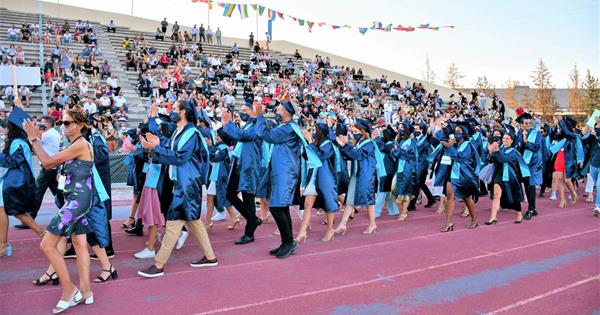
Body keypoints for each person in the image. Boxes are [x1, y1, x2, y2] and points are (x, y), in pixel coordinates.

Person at [23, 109, 101, 313]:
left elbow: (48, 163)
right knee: (79, 243)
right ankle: (86, 291)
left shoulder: (81, 145)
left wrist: (33, 139)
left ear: (81, 125)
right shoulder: (75, 145)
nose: (63, 126)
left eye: (68, 123)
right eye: (62, 123)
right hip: (78, 200)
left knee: (47, 244)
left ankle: (69, 289)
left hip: (76, 202)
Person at [138, 100, 218, 278]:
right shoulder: (180, 132)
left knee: (173, 223)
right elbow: (171, 148)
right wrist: (157, 144)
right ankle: (210, 257)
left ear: (183, 112)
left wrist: (156, 148)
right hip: (183, 183)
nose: (170, 111)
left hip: (187, 185)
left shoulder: (191, 133)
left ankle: (158, 265)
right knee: (194, 222)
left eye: (174, 109)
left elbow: (180, 157)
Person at [255, 101, 314, 258]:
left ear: (287, 113)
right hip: (281, 171)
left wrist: (260, 115)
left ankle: (289, 242)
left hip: (286, 172)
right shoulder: (285, 127)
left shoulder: (288, 128)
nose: (277, 112)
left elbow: (265, 135)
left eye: (280, 110)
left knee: (276, 207)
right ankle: (286, 242)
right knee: (281, 207)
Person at [0, 107, 46, 257]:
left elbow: (13, 161)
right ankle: (3, 245)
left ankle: (3, 245)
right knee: (14, 212)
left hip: (13, 182)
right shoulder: (20, 141)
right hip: (14, 181)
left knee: (12, 212)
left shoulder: (18, 143)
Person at [219, 103, 263, 245]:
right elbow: (235, 139)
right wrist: (224, 125)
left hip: (249, 166)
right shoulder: (248, 124)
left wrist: (229, 123)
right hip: (239, 164)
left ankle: (249, 233)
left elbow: (243, 136)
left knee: (248, 197)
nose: (241, 113)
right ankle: (253, 219)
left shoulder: (258, 125)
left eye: (244, 110)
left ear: (252, 111)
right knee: (230, 194)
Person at [14, 116, 60, 229]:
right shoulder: (52, 133)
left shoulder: (48, 134)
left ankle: (29, 220)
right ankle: (71, 214)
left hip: (48, 169)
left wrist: (30, 128)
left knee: (37, 192)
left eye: (42, 122)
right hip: (51, 168)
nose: (40, 124)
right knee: (59, 195)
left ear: (48, 124)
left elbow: (33, 140)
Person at [334, 118, 378, 235]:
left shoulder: (369, 143)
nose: (354, 133)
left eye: (356, 131)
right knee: (350, 200)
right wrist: (343, 146)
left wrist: (346, 144)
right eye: (353, 132)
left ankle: (372, 224)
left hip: (366, 174)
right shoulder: (358, 143)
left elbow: (358, 155)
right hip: (356, 173)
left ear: (363, 131)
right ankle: (342, 224)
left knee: (369, 200)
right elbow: (351, 155)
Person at [441, 123, 480, 232]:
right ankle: (448, 223)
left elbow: (461, 157)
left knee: (467, 197)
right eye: (455, 131)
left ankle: (474, 219)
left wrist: (451, 146)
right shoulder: (454, 143)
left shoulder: (468, 144)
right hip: (452, 173)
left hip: (464, 175)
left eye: (459, 131)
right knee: (450, 196)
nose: (456, 133)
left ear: (464, 133)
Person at [486, 132, 531, 224]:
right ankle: (493, 217)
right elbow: (492, 160)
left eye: (507, 138)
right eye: (504, 138)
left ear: (511, 141)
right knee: (496, 195)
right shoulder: (500, 149)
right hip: (499, 175)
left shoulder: (514, 152)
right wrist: (490, 151)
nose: (505, 140)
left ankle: (519, 214)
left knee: (513, 197)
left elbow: (504, 159)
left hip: (510, 177)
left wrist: (496, 150)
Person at [516, 113, 542, 220]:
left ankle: (531, 209)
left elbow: (537, 147)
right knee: (526, 186)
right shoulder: (518, 134)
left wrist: (526, 142)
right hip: (522, 163)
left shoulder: (536, 133)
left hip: (532, 163)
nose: (527, 125)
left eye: (529, 123)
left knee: (530, 186)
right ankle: (533, 208)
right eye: (525, 123)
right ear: (521, 124)